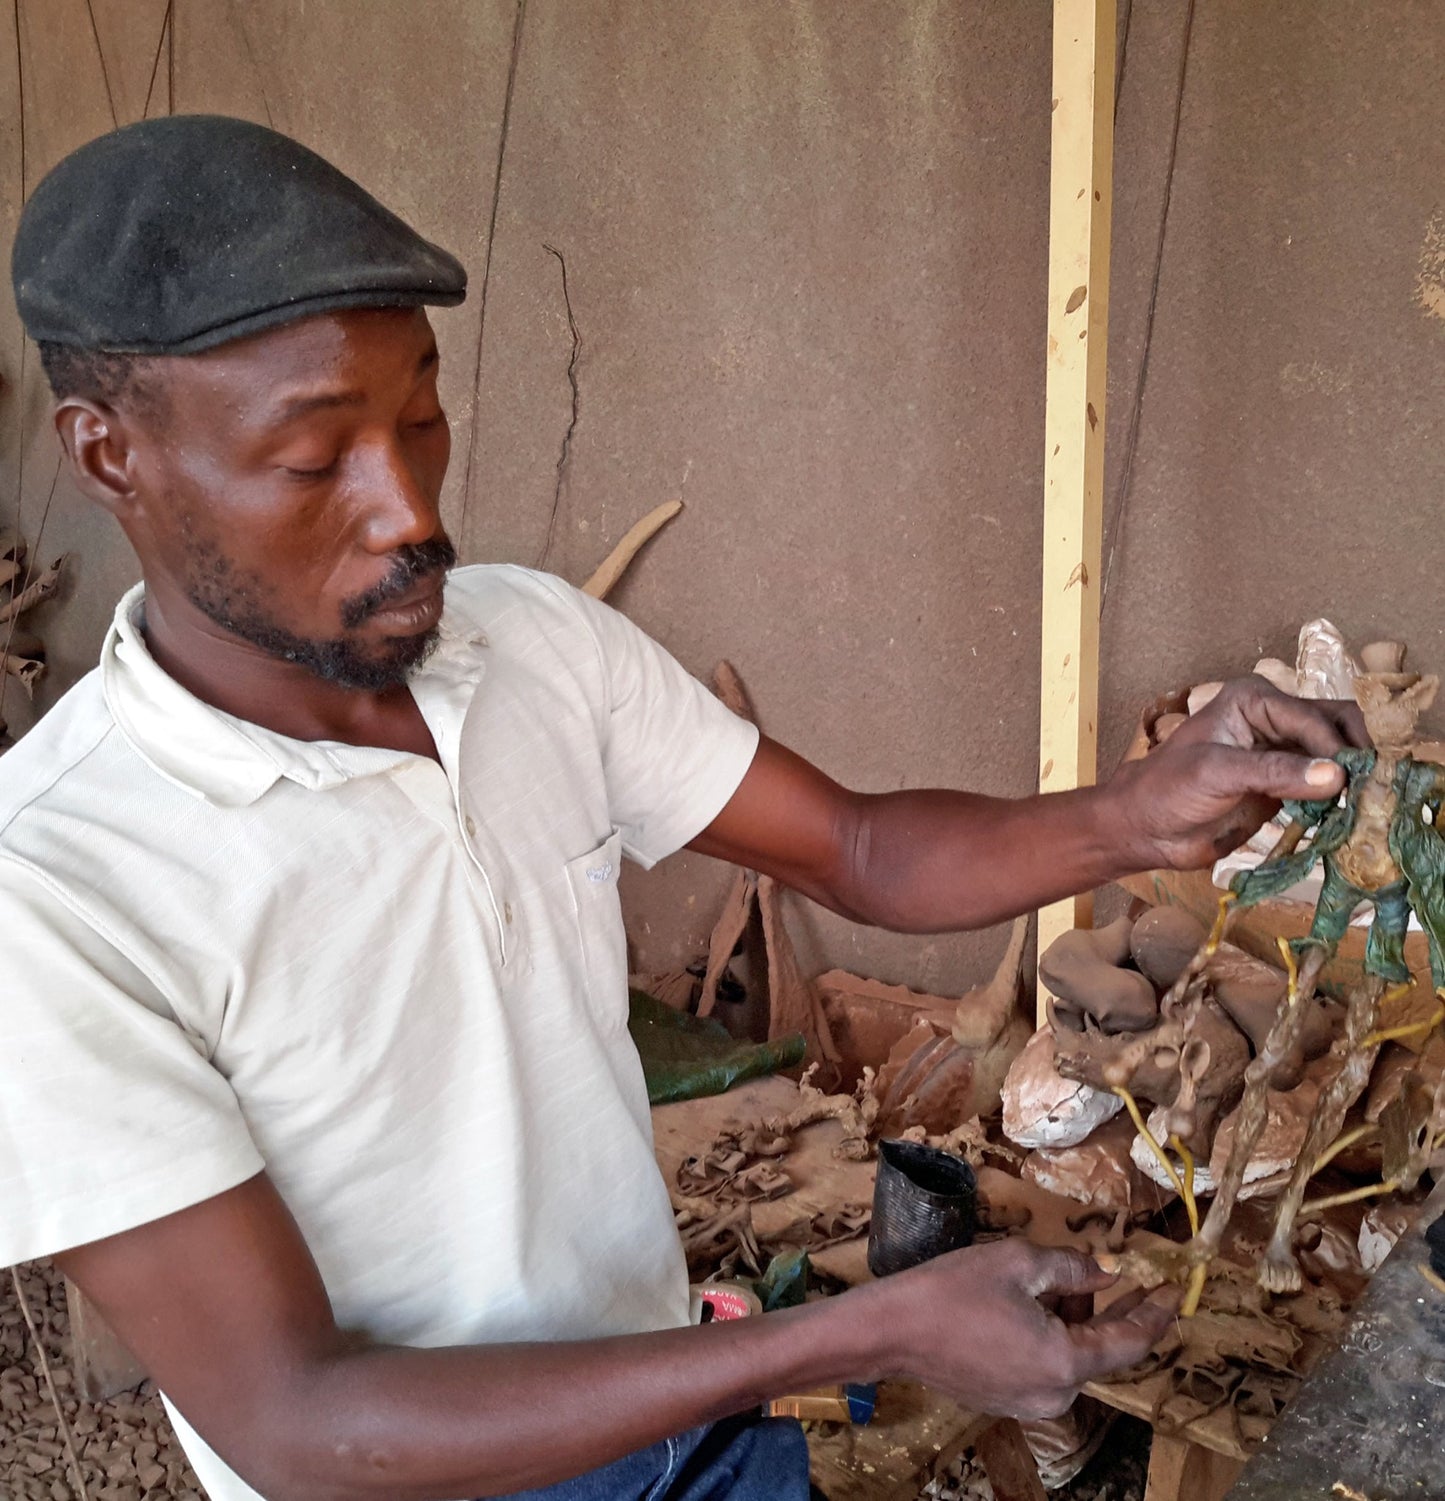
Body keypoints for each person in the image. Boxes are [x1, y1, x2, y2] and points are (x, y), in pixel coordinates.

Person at [1, 117, 1365, 1501]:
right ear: (110, 455)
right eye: (313, 461)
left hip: (670, 1407)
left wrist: (1139, 811)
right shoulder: (56, 885)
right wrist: (861, 1328)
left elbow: (857, 847)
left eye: (419, 415)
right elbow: (300, 1418)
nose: (406, 506)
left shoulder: (528, 643)